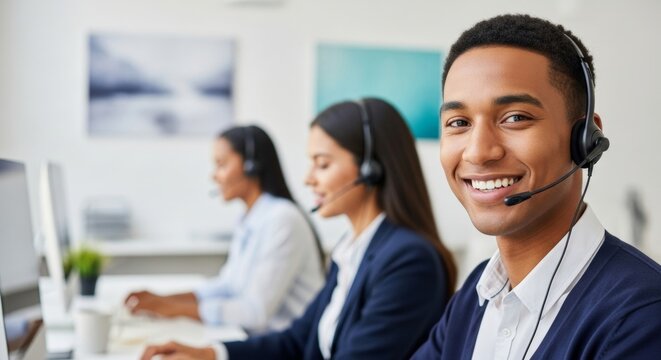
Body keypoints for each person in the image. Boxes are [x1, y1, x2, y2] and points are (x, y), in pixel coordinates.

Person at [413, 14, 661, 359]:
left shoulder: (643, 316)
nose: (479, 151)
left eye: (515, 117)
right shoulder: (477, 294)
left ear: (586, 140)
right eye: (459, 122)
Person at [140, 98, 457, 360]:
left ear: (370, 170)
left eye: (322, 164)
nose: (308, 178)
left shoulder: (409, 260)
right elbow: (296, 340)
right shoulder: (353, 249)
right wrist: (210, 354)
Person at [125, 125, 325, 334]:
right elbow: (229, 286)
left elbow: (255, 312)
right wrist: (163, 300)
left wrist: (174, 309)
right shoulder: (251, 217)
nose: (215, 176)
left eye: (221, 164)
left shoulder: (283, 219)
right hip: (257, 340)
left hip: (285, 348)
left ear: (250, 166)